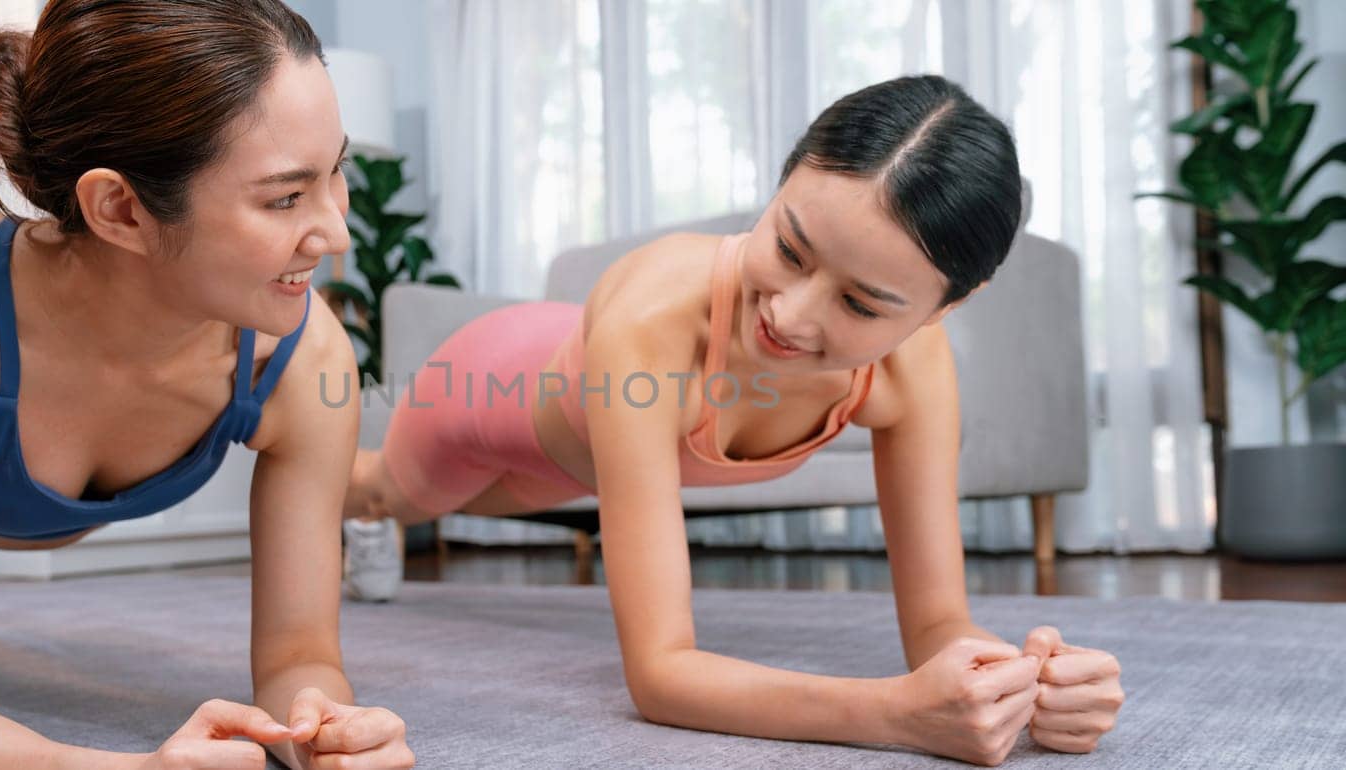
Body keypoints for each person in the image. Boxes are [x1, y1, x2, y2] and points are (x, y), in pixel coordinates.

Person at [344, 75, 1123, 766]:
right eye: (788, 247)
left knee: (479, 501)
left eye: (859, 304)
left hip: (586, 464)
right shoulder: (652, 321)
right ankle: (328, 497)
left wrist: (1026, 683)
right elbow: (660, 674)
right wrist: (896, 715)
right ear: (781, 183)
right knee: (388, 495)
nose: (789, 313)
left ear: (947, 306)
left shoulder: (912, 368)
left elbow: (939, 622)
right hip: (489, 393)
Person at [0, 2, 413, 768]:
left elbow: (300, 653)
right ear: (120, 208)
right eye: (285, 198)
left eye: (338, 173)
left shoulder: (301, 357)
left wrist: (318, 731)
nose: (337, 232)